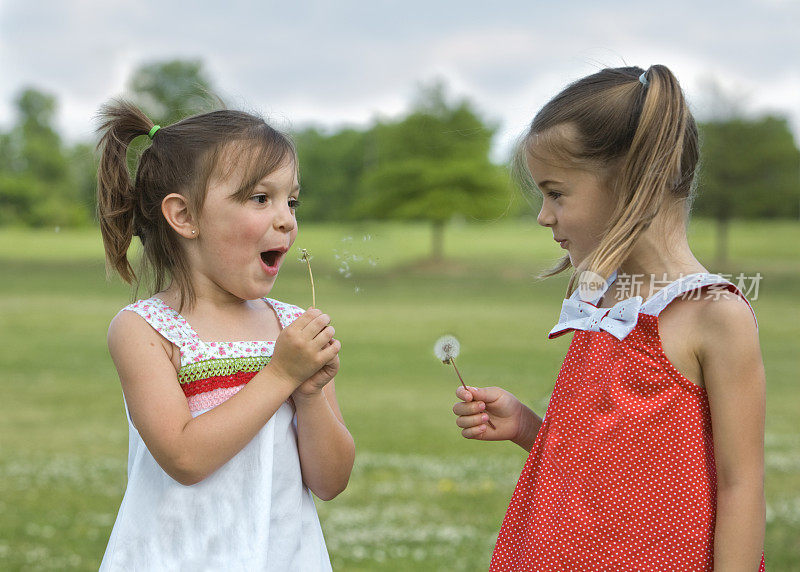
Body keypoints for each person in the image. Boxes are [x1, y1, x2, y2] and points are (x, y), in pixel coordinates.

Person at [453, 66, 765, 571]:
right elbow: (606, 461)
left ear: (631, 180)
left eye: (556, 193)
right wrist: (529, 426)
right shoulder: (600, 302)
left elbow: (740, 485)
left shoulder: (714, 315)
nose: (543, 215)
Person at [96, 100, 354, 570]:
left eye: (291, 201)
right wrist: (280, 375)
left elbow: (331, 481)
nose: (286, 219)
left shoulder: (289, 327)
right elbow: (185, 458)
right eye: (260, 199)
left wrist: (312, 395)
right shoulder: (144, 331)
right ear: (184, 216)